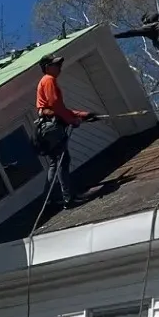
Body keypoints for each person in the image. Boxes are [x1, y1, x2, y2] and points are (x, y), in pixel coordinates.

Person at [32, 54, 99, 212]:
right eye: (56, 65)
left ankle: (50, 199)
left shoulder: (45, 81)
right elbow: (56, 107)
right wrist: (72, 120)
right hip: (52, 127)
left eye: (60, 64)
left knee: (56, 163)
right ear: (47, 67)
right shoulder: (49, 80)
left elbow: (58, 109)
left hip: (47, 128)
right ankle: (68, 198)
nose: (59, 67)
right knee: (62, 161)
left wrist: (83, 115)